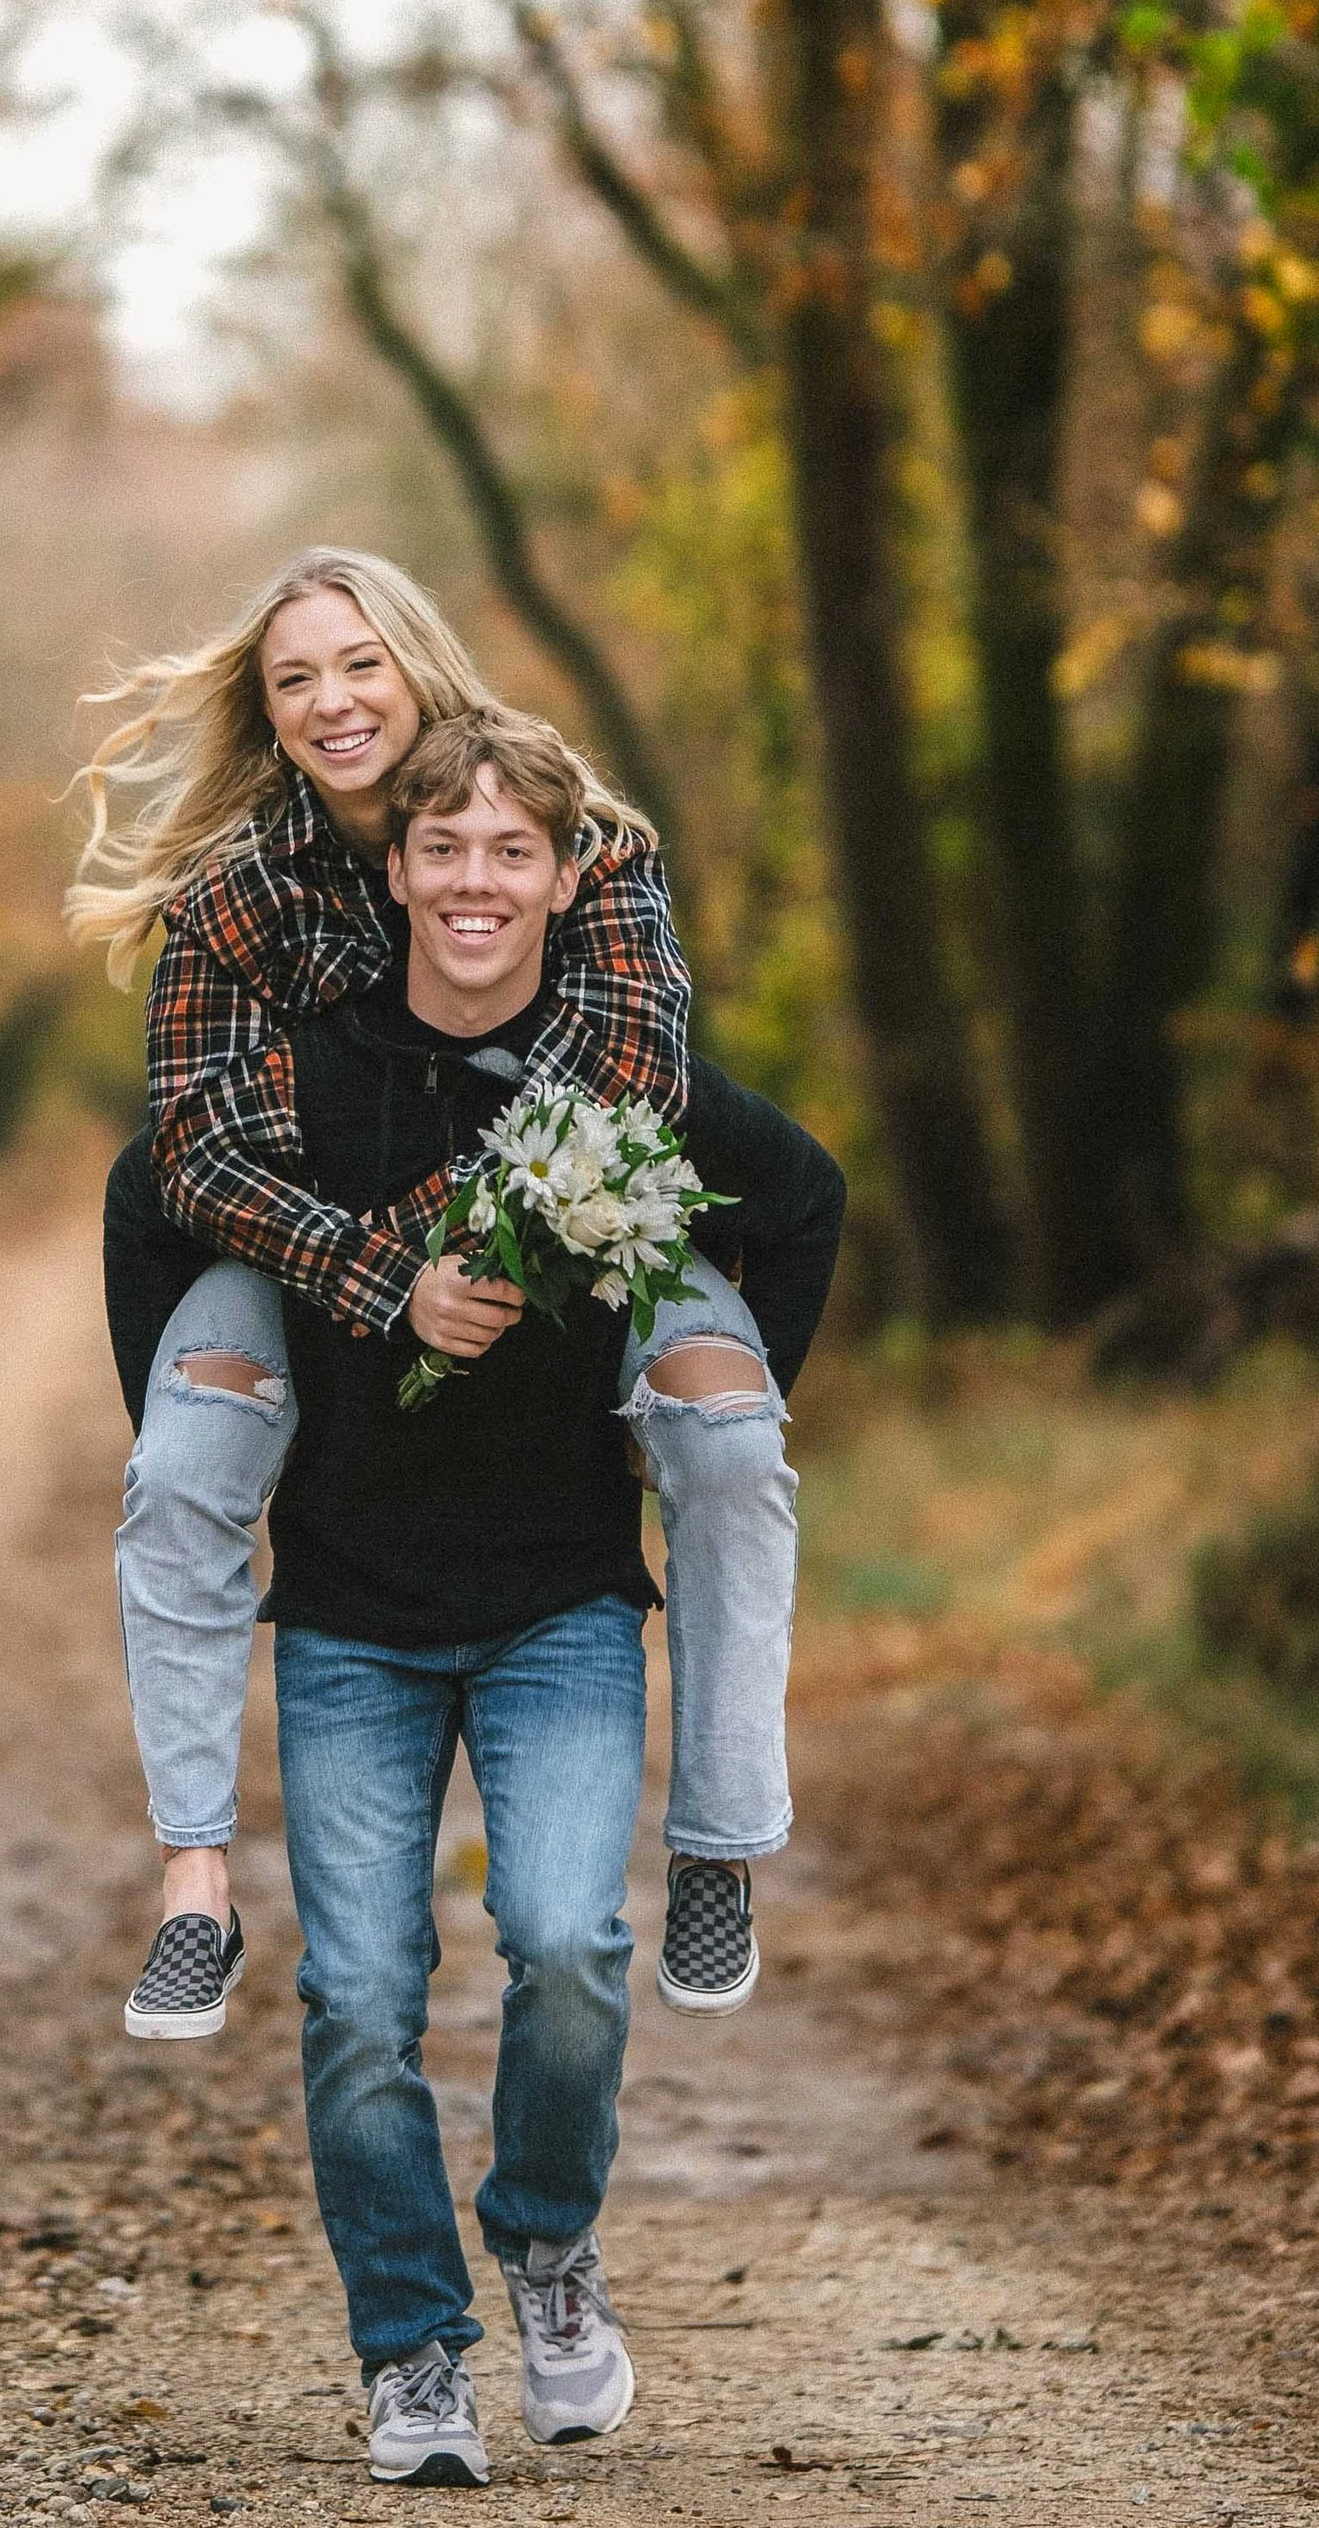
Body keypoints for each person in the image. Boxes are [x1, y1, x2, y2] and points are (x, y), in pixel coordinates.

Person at [64, 548, 844, 2041]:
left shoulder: (578, 834)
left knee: (734, 1449)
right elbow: (203, 1160)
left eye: (360, 662)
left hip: (591, 1191)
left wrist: (442, 1259)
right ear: (269, 710)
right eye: (295, 678)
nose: (332, 700)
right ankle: (193, 1885)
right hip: (288, 1251)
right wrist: (376, 1277)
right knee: (180, 1470)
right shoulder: (237, 893)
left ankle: (721, 1843)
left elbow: (614, 1083)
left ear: (416, 660)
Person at [263, 705, 734, 2478]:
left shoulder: (623, 1073)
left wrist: (728, 1422)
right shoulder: (311, 1068)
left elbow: (797, 1194)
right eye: (441, 849)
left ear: (562, 875)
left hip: (559, 1599)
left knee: (566, 1944)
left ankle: (542, 2241)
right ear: (397, 873)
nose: (473, 882)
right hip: (349, 1605)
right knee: (362, 1996)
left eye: (508, 853)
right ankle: (409, 2351)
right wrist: (255, 1390)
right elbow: (157, 1207)